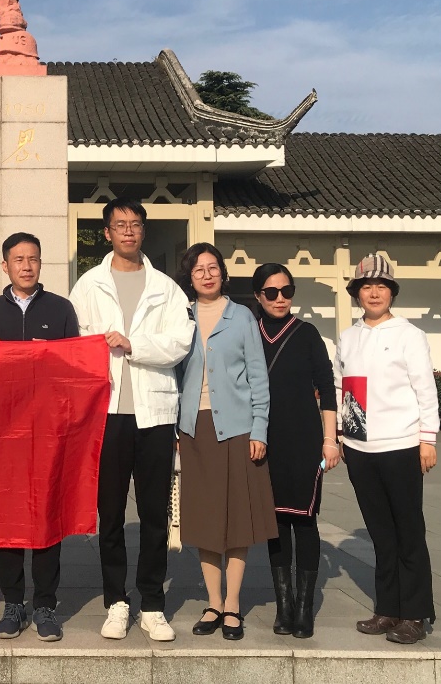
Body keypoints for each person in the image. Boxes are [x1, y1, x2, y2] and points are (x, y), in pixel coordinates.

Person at [69, 198, 194, 643]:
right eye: (120, 225)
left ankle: (153, 604)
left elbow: (180, 341)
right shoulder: (88, 285)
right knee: (111, 513)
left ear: (143, 231)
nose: (128, 231)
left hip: (154, 413)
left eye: (135, 224)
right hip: (106, 414)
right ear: (106, 233)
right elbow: (76, 342)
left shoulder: (166, 287)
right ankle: (116, 601)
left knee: (155, 512)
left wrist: (132, 344)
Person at [0, 232, 80, 643]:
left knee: (46, 516)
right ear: (5, 266)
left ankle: (45, 605)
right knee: (8, 518)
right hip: (5, 432)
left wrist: (50, 355)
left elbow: (76, 366)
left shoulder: (61, 308)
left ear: (40, 263)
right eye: (18, 259)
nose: (26, 266)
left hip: (48, 430)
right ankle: (13, 602)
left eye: (33, 258)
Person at [335, 254, 439, 645]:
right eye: (367, 287)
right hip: (361, 447)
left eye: (381, 286)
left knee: (408, 530)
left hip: (402, 444)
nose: (374, 293)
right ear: (357, 293)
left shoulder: (409, 335)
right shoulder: (348, 337)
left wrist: (428, 439)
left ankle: (415, 613)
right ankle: (388, 608)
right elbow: (343, 388)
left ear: (392, 292)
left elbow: (425, 389)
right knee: (380, 532)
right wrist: (343, 436)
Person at [177, 243, 275, 642]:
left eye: (213, 267)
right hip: (194, 428)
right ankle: (213, 602)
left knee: (237, 518)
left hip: (236, 428)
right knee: (204, 519)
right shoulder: (181, 316)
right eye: (198, 269)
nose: (207, 274)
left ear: (223, 272)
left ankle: (233, 604)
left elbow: (258, 376)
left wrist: (259, 429)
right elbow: (173, 374)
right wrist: (176, 427)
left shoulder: (242, 317)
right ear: (190, 277)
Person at [252, 263, 338, 638]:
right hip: (264, 440)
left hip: (304, 440)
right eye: (271, 292)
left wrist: (330, 440)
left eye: (287, 291)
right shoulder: (250, 333)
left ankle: (304, 608)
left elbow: (328, 388)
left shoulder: (307, 334)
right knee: (275, 523)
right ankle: (283, 606)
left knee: (304, 520)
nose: (280, 299)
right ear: (258, 296)